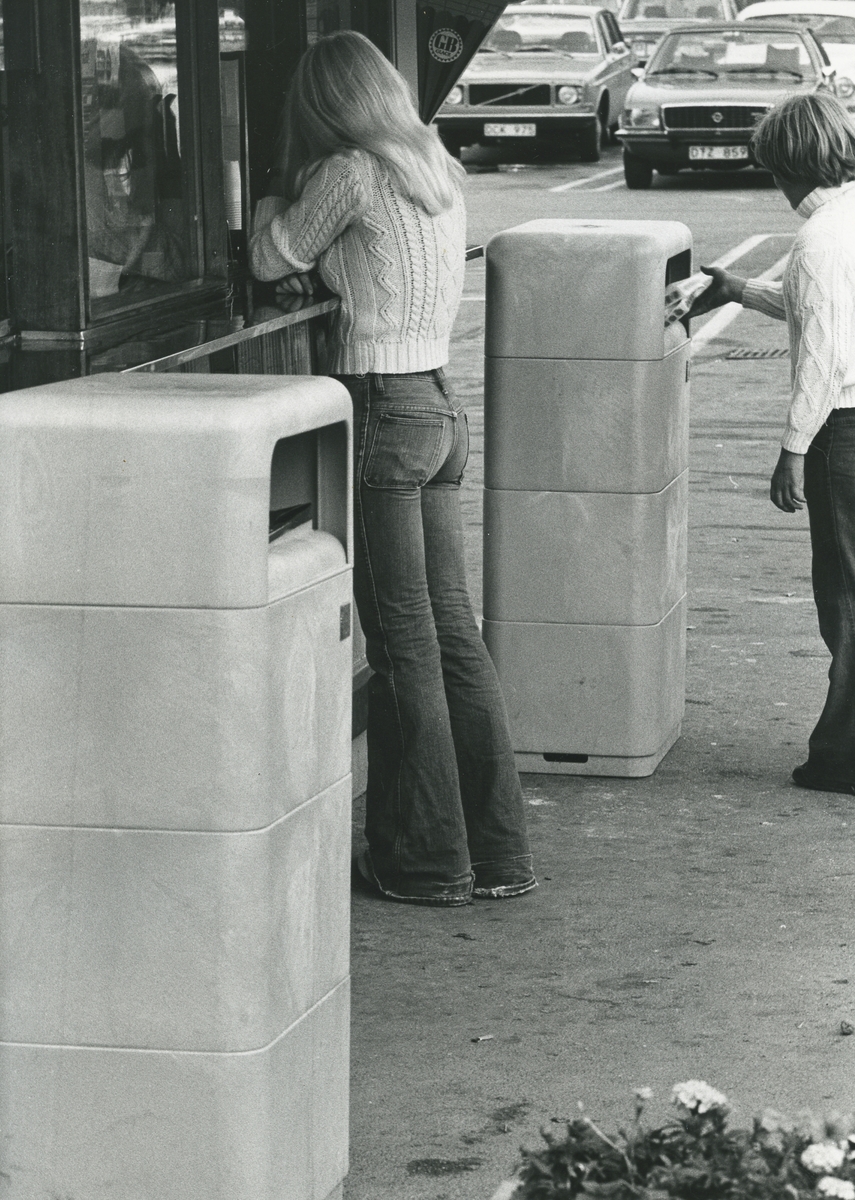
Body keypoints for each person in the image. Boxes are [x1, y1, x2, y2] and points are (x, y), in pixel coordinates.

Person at [249, 31, 536, 903]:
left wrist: (272, 197)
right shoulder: (431, 164)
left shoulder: (348, 170)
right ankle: (498, 854)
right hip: (439, 406)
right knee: (452, 635)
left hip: (380, 408)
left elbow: (269, 256)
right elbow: (373, 269)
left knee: (403, 641)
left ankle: (425, 860)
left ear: (325, 104)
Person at [690, 92, 855, 796]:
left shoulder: (821, 238)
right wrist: (739, 289)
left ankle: (854, 757)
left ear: (791, 165)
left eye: (772, 168)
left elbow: (823, 355)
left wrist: (792, 448)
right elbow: (824, 307)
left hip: (846, 428)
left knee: (849, 598)